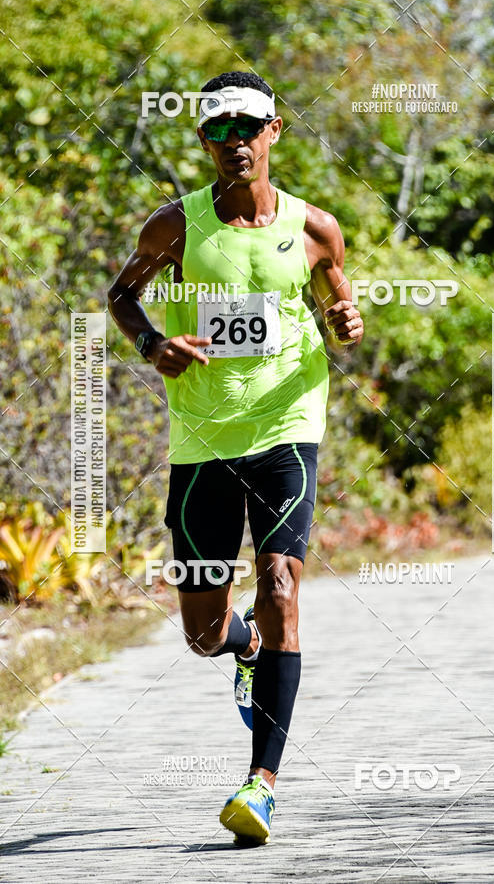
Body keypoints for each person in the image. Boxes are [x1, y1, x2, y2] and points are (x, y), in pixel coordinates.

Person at [108, 70, 363, 846]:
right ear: (203, 142)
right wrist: (154, 344)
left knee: (282, 581)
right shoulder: (174, 228)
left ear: (275, 130)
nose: (234, 143)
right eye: (218, 130)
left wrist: (344, 322)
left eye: (247, 127)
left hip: (287, 426)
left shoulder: (317, 227)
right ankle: (244, 648)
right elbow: (123, 296)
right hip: (204, 440)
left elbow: (332, 303)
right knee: (200, 630)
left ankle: (262, 785)